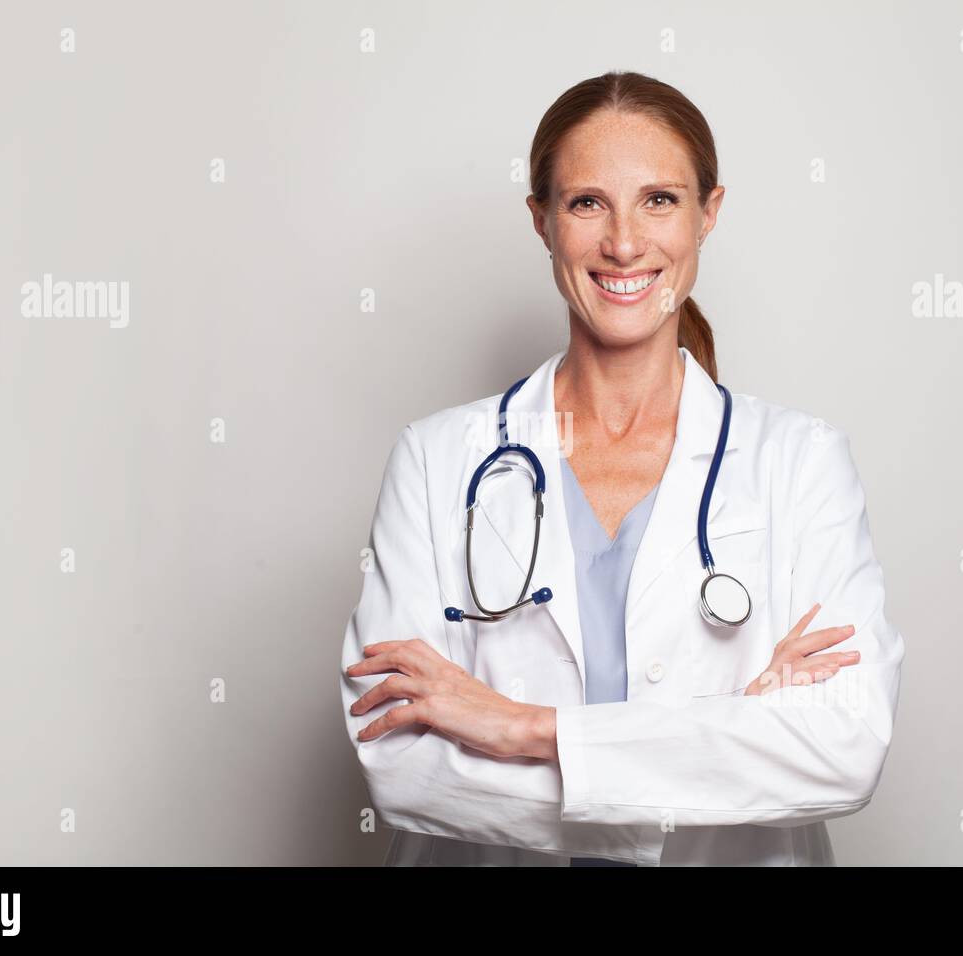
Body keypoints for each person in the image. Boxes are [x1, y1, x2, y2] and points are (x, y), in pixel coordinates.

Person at [339, 70, 904, 866]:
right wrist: (730, 729)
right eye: (586, 203)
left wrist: (522, 727)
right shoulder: (437, 462)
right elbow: (400, 767)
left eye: (660, 200)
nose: (625, 243)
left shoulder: (800, 463)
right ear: (541, 221)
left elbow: (844, 747)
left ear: (709, 213)